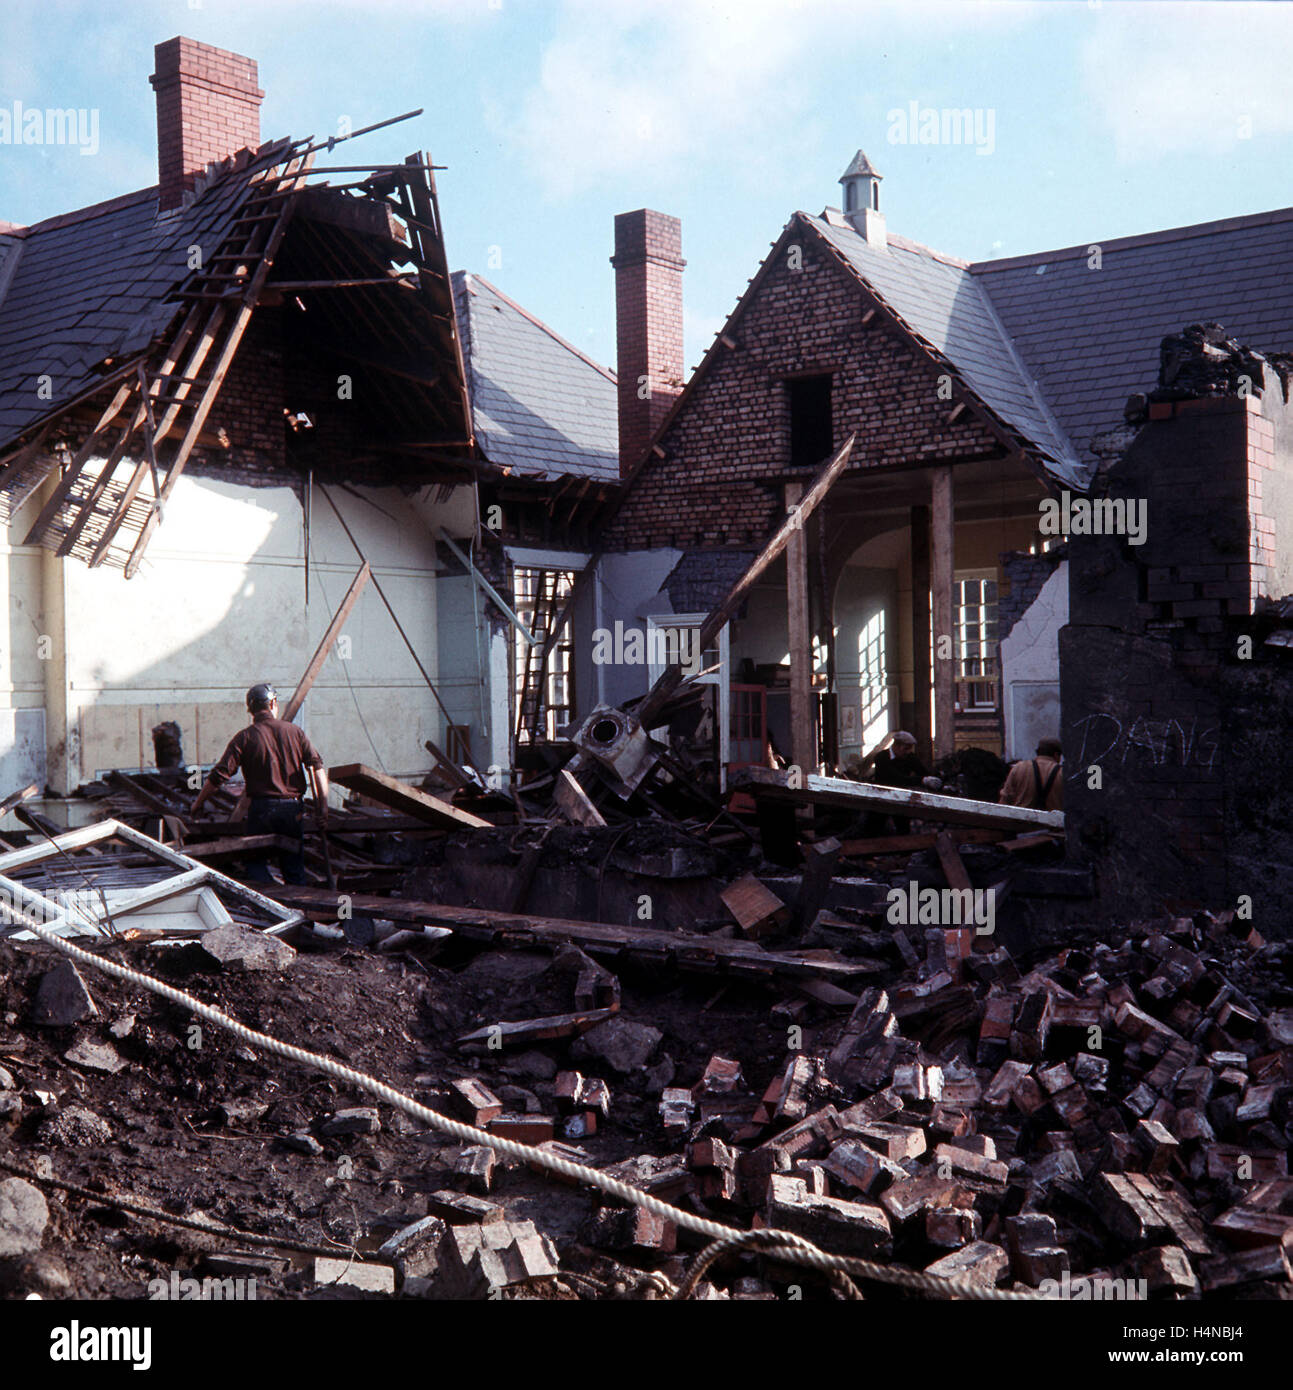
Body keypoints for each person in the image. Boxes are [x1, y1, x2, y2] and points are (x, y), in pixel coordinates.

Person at [190, 683, 329, 885]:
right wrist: (322, 809)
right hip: (292, 811)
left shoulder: (245, 737)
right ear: (272, 703)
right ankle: (294, 900)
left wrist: (198, 803)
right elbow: (317, 768)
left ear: (251, 710)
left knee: (254, 863)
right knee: (293, 867)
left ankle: (268, 897)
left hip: (262, 810)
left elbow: (218, 776)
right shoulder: (295, 732)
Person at [999, 736, 1063, 812]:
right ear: (1056, 755)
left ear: (1037, 752)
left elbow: (1005, 800)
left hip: (1021, 818)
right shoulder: (1062, 773)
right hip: (1053, 819)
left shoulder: (1019, 768)